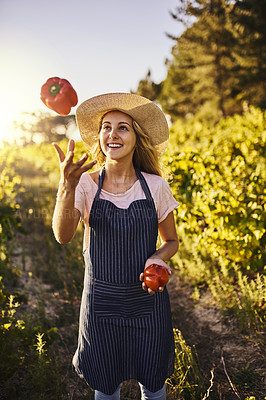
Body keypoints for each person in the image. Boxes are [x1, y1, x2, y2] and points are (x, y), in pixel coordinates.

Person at [52, 93, 179, 400]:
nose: (113, 133)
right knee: (106, 387)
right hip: (101, 304)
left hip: (148, 304)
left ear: (137, 137)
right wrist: (67, 187)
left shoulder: (155, 186)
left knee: (153, 385)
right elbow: (63, 234)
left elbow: (172, 241)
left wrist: (158, 257)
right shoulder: (85, 184)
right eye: (106, 127)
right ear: (99, 137)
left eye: (123, 127)